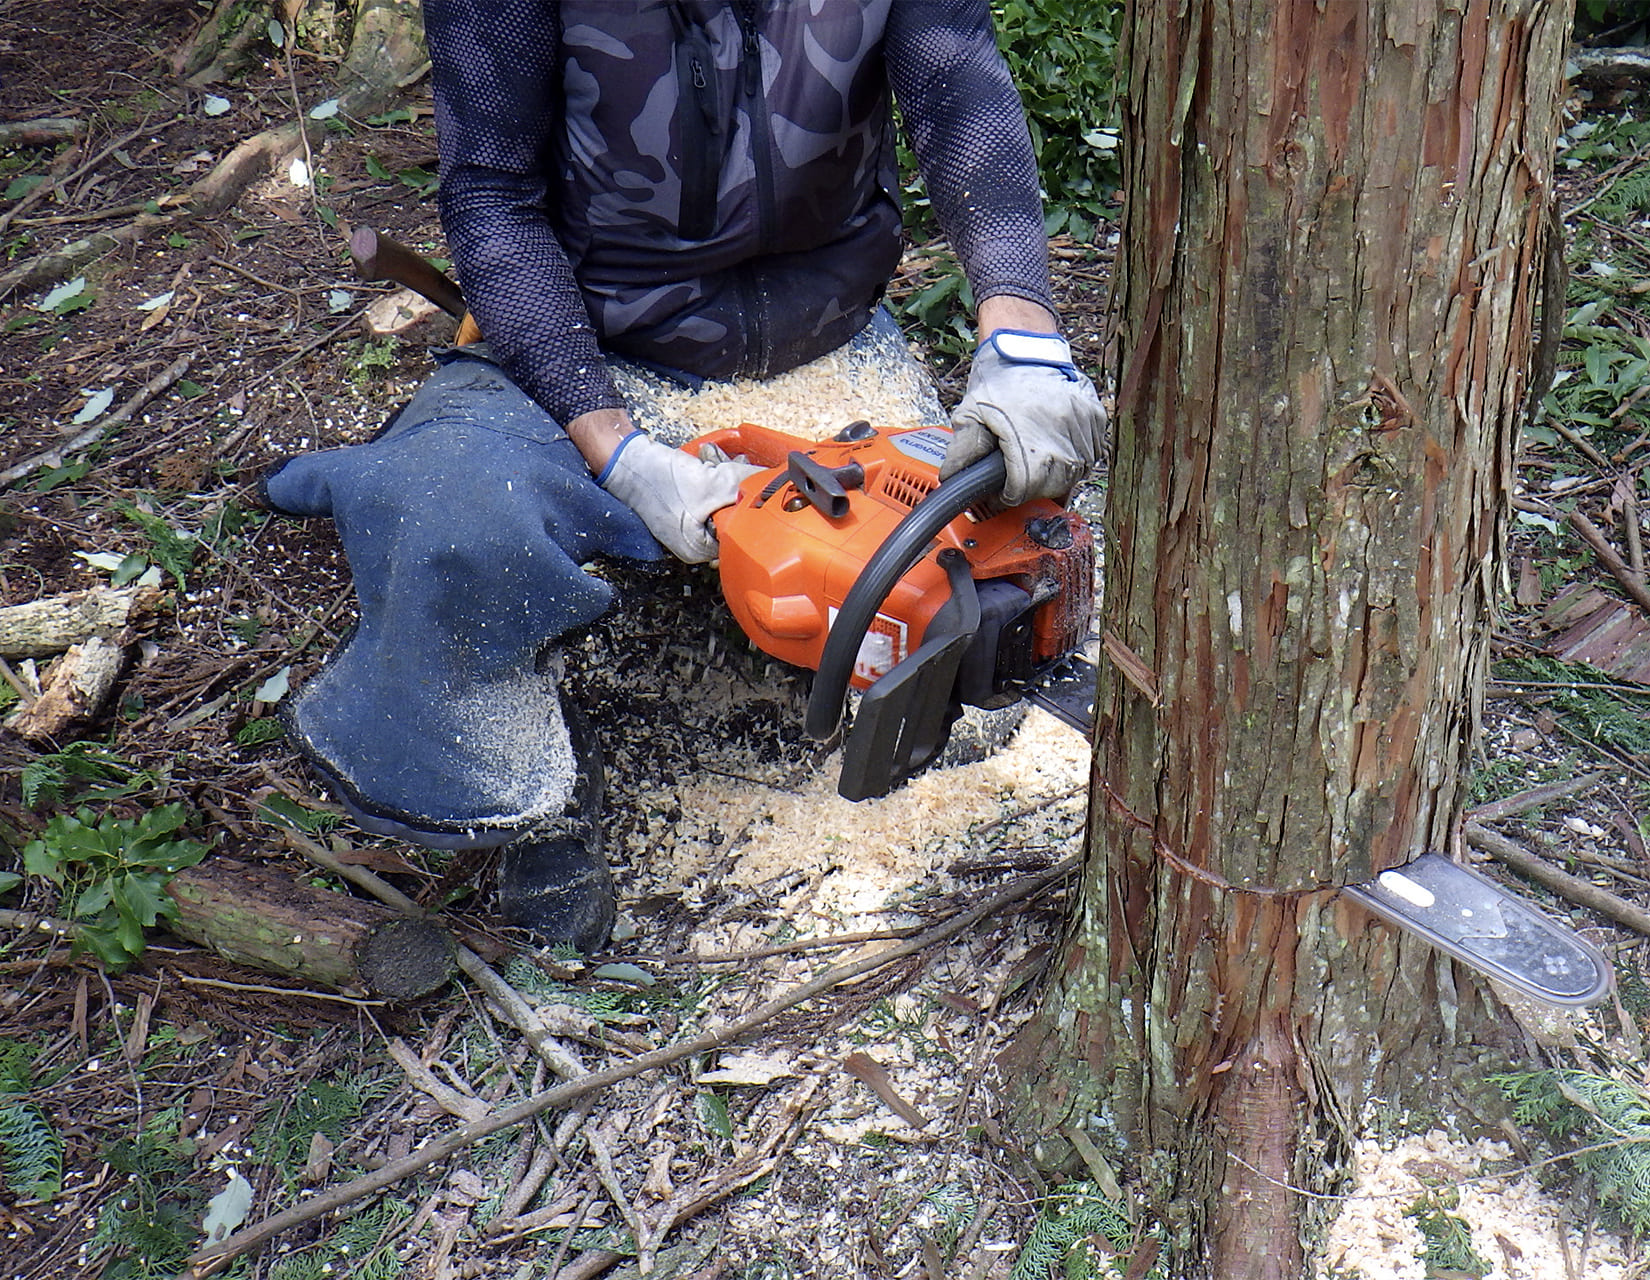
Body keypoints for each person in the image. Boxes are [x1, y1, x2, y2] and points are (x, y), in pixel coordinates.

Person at [261, 0, 1107, 949]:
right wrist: (616, 447)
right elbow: (492, 198)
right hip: (589, 347)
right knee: (454, 519)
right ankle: (515, 795)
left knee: (970, 561)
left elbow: (959, 89)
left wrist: (1021, 323)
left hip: (829, 346)